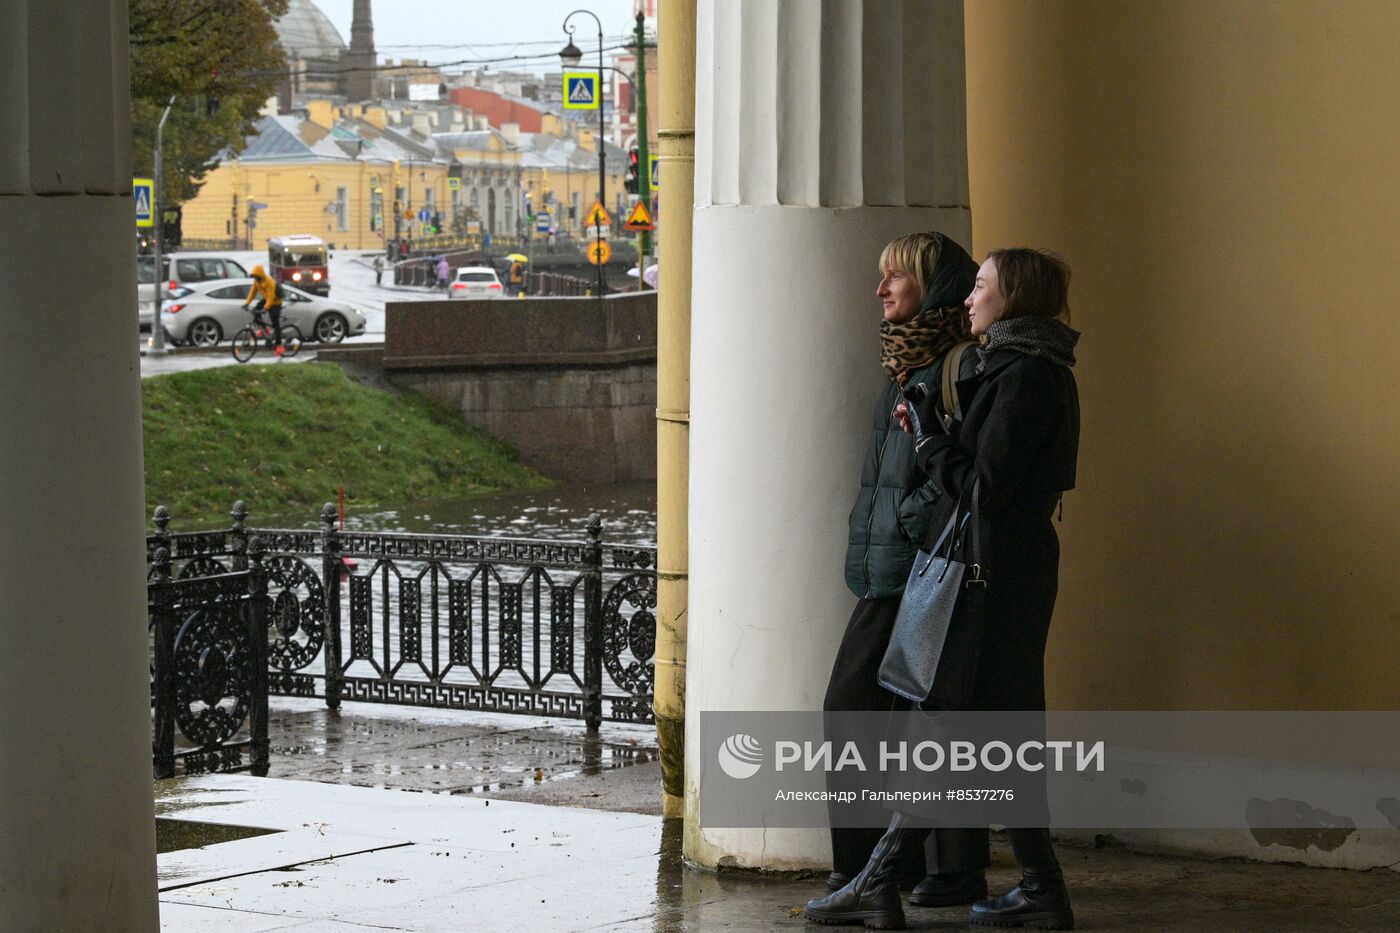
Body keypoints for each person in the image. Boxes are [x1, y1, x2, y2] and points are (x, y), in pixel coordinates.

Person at [806, 248, 1081, 930]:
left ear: (1011, 297)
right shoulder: (1022, 367)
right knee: (987, 734)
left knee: (954, 731)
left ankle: (880, 879)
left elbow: (986, 489)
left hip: (993, 574)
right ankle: (1039, 887)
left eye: (981, 286)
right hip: (1005, 570)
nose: (970, 298)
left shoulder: (1026, 375)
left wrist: (929, 439)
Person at [819, 232, 991, 909]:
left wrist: (912, 525)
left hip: (925, 566)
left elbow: (962, 474)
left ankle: (863, 870)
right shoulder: (906, 362)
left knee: (860, 707)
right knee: (923, 718)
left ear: (936, 287)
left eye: (897, 277)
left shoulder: (959, 367)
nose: (881, 289)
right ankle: (938, 868)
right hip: (896, 566)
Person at [241, 264, 286, 354]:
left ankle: (279, 345)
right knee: (255, 311)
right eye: (254, 277)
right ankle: (265, 330)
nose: (255, 279)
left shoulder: (269, 282)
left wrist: (266, 308)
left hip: (276, 302)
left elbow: (271, 296)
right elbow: (252, 292)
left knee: (275, 324)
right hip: (266, 299)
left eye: (257, 277)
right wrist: (246, 303)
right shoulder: (256, 282)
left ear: (260, 275)